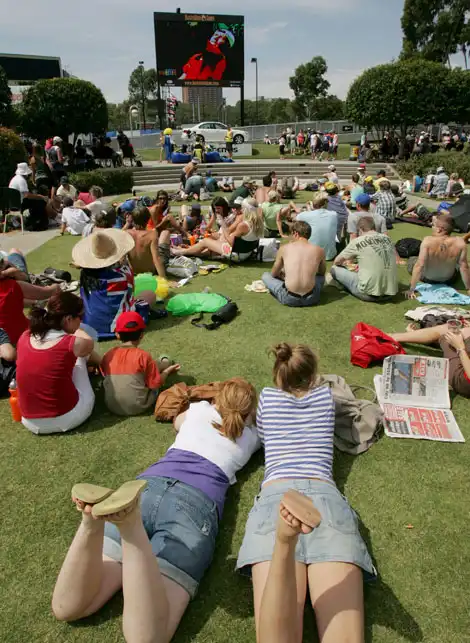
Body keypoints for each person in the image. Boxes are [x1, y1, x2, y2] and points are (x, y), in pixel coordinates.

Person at [51, 378, 260, 641]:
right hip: (194, 502)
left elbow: (177, 422)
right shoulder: (251, 436)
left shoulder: (198, 410)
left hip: (145, 488)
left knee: (68, 608)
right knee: (149, 637)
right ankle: (132, 527)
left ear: (217, 398)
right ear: (248, 412)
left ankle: (91, 524)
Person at [237, 343, 376, 643]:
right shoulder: (326, 397)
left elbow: (264, 435)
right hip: (325, 499)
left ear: (278, 373)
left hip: (276, 498)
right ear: (313, 375)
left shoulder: (267, 398)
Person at [16, 292, 97, 435]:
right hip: (66, 418)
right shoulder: (71, 343)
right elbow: (89, 343)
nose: (81, 321)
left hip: (29, 421)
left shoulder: (25, 336)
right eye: (80, 317)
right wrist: (76, 329)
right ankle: (111, 368)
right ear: (68, 318)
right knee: (80, 357)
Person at [73, 229, 154, 340]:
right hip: (119, 326)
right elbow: (131, 293)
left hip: (90, 327)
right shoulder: (123, 275)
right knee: (149, 294)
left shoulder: (85, 275)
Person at [101, 311, 180, 416]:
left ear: (117, 334)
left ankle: (163, 362)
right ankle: (165, 362)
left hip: (112, 407)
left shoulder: (108, 355)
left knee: (141, 371)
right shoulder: (143, 356)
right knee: (149, 375)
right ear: (142, 335)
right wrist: (166, 372)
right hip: (139, 406)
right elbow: (156, 383)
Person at [390, 324, 470, 398]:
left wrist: (460, 348)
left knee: (448, 330)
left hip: (463, 378)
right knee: (464, 331)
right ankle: (417, 336)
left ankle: (394, 337)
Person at [0, 250, 60, 345]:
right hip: (21, 336)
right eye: (2, 262)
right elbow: (48, 292)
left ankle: (35, 302)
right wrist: (55, 286)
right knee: (14, 252)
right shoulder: (14, 286)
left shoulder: (13, 288)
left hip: (6, 341)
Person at [172, 199, 263, 262]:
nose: (242, 210)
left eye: (243, 208)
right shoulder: (258, 223)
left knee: (205, 241)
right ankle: (186, 250)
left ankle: (180, 252)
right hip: (246, 253)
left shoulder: (244, 225)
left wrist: (223, 225)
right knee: (209, 249)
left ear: (246, 210)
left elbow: (231, 242)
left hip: (237, 255)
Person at [330, 217, 398, 302]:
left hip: (368, 294)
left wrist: (345, 265)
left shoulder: (357, 241)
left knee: (334, 269)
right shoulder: (387, 238)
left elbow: (337, 261)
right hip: (391, 293)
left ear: (360, 229)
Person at [262, 221, 326, 307]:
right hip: (311, 298)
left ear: (295, 233)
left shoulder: (284, 248)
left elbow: (274, 274)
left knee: (266, 275)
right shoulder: (320, 250)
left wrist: (283, 275)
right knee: (320, 277)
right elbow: (321, 273)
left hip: (289, 298)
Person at [406, 214, 470, 298]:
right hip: (449, 280)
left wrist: (411, 289)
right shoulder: (460, 242)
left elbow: (419, 266)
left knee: (412, 260)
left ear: (439, 229)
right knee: (458, 264)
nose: (431, 226)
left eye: (433, 225)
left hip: (428, 279)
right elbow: (464, 267)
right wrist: (469, 288)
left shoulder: (427, 241)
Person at [126, 206, 172, 278]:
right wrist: (164, 279)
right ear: (148, 219)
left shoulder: (126, 233)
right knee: (165, 233)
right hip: (151, 272)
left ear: (133, 219)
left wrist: (127, 224)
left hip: (134, 272)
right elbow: (156, 259)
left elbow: (122, 259)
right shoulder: (152, 234)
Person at [296, 194, 338, 260]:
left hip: (312, 255)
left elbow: (298, 218)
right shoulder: (334, 214)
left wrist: (309, 209)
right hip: (330, 255)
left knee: (300, 227)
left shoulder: (307, 215)